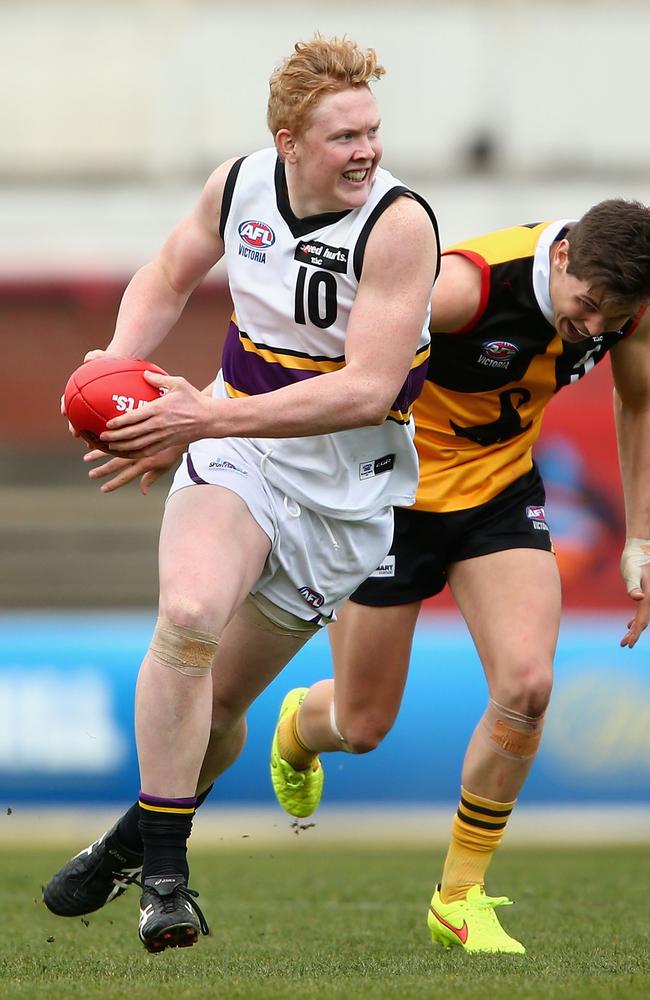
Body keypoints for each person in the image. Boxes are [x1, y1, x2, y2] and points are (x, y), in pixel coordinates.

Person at [42, 35, 439, 953]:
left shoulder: (399, 224)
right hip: (238, 450)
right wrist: (115, 359)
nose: (368, 151)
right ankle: (168, 884)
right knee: (187, 616)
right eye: (345, 136)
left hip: (343, 496)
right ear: (288, 142)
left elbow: (367, 390)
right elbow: (171, 272)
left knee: (218, 707)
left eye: (373, 131)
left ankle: (128, 841)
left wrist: (198, 422)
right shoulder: (239, 186)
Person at [268, 198, 650, 955]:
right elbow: (338, 339)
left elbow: (637, 400)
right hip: (392, 502)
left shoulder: (624, 304)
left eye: (616, 318)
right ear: (563, 256)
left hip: (499, 499)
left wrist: (640, 538)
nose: (598, 329)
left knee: (528, 685)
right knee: (363, 725)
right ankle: (300, 727)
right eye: (589, 310)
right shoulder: (464, 288)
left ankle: (460, 895)